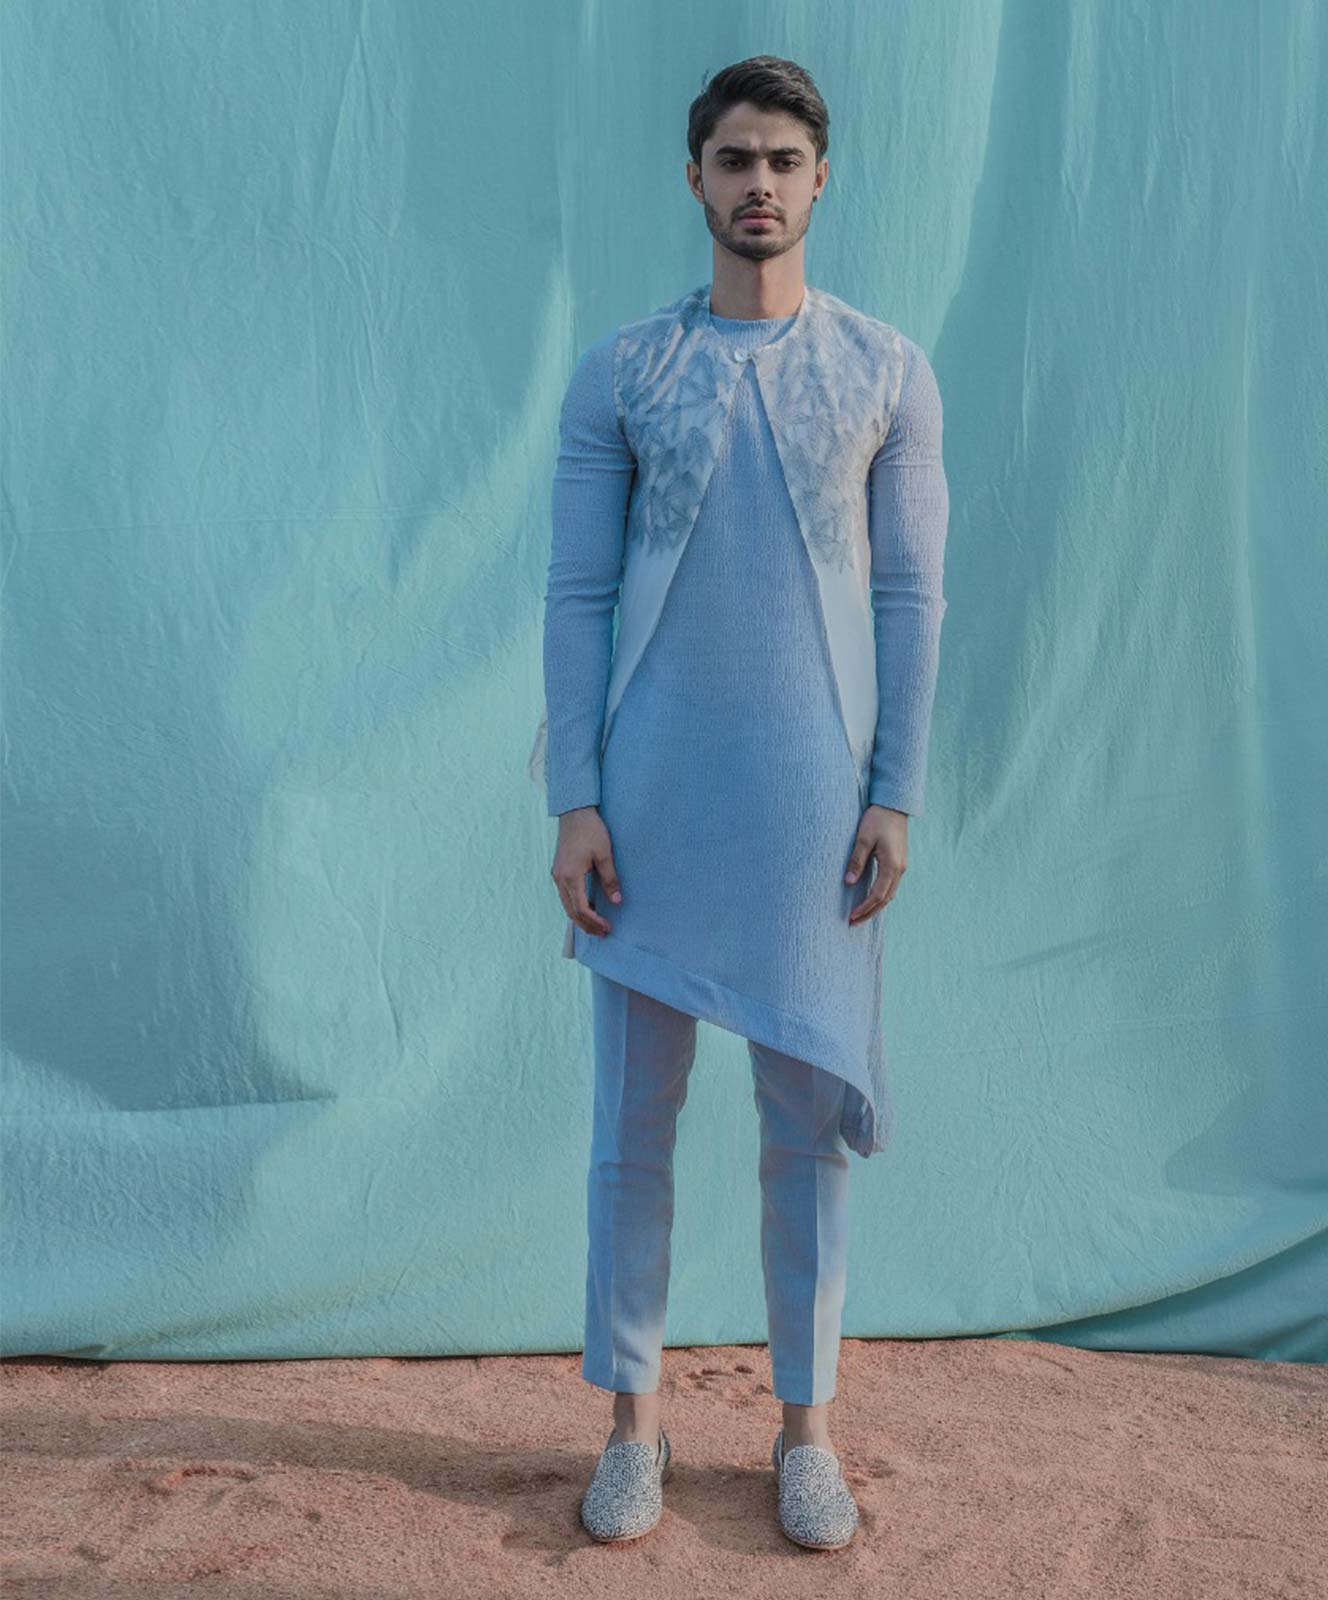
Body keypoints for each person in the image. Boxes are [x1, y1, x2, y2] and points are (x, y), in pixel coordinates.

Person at [535, 55, 950, 1550]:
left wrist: (895, 791)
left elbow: (911, 596)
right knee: (629, 1122)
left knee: (806, 1124)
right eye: (733, 158)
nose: (758, 182)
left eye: (783, 159)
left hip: (812, 811)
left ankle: (806, 1430)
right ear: (695, 179)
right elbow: (577, 594)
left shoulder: (888, 373)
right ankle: (632, 1425)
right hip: (647, 801)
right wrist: (575, 798)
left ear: (821, 179)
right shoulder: (623, 373)